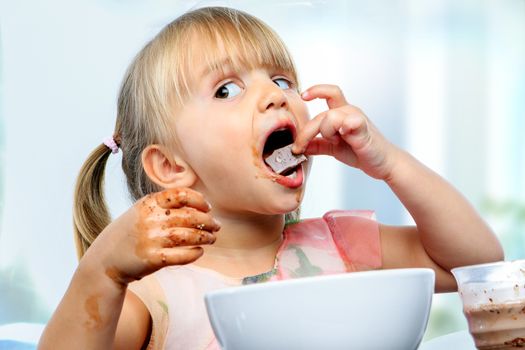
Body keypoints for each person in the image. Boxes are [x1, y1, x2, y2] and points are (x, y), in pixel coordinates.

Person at [38, 6, 504, 350]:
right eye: (227, 89)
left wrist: (389, 164)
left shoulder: (340, 246)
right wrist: (101, 273)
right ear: (171, 166)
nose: (273, 96)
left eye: (281, 81)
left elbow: (476, 264)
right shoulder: (152, 296)